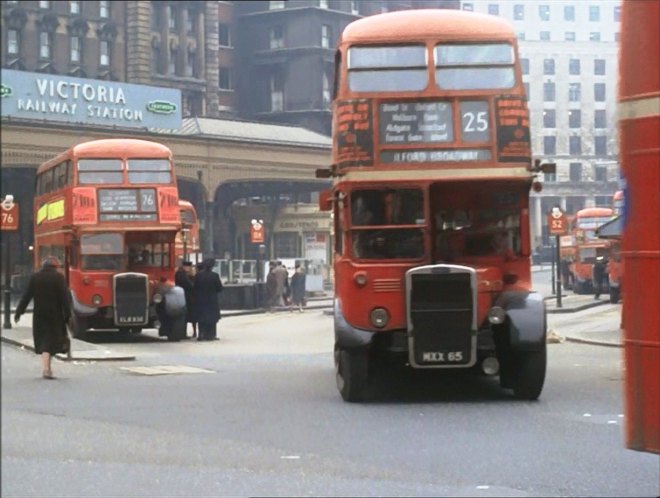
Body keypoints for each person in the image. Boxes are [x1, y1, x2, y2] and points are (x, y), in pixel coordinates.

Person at [14, 256, 72, 379]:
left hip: (40, 314)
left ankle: (47, 368)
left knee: (45, 340)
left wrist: (19, 312)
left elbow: (26, 296)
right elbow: (65, 299)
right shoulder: (59, 278)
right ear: (55, 267)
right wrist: (68, 315)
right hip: (55, 315)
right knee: (51, 341)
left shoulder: (35, 277)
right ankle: (47, 369)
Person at [194, 258, 224, 340]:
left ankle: (201, 334)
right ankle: (211, 335)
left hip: (201, 300)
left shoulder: (198, 275)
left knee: (201, 318)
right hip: (212, 300)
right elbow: (220, 288)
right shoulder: (215, 276)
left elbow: (195, 286)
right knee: (212, 318)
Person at [175, 261, 197, 339]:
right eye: (188, 267)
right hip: (185, 297)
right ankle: (183, 334)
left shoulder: (181, 273)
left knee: (187, 316)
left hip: (186, 297)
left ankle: (187, 333)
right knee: (185, 316)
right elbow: (189, 285)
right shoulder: (181, 274)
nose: (189, 268)